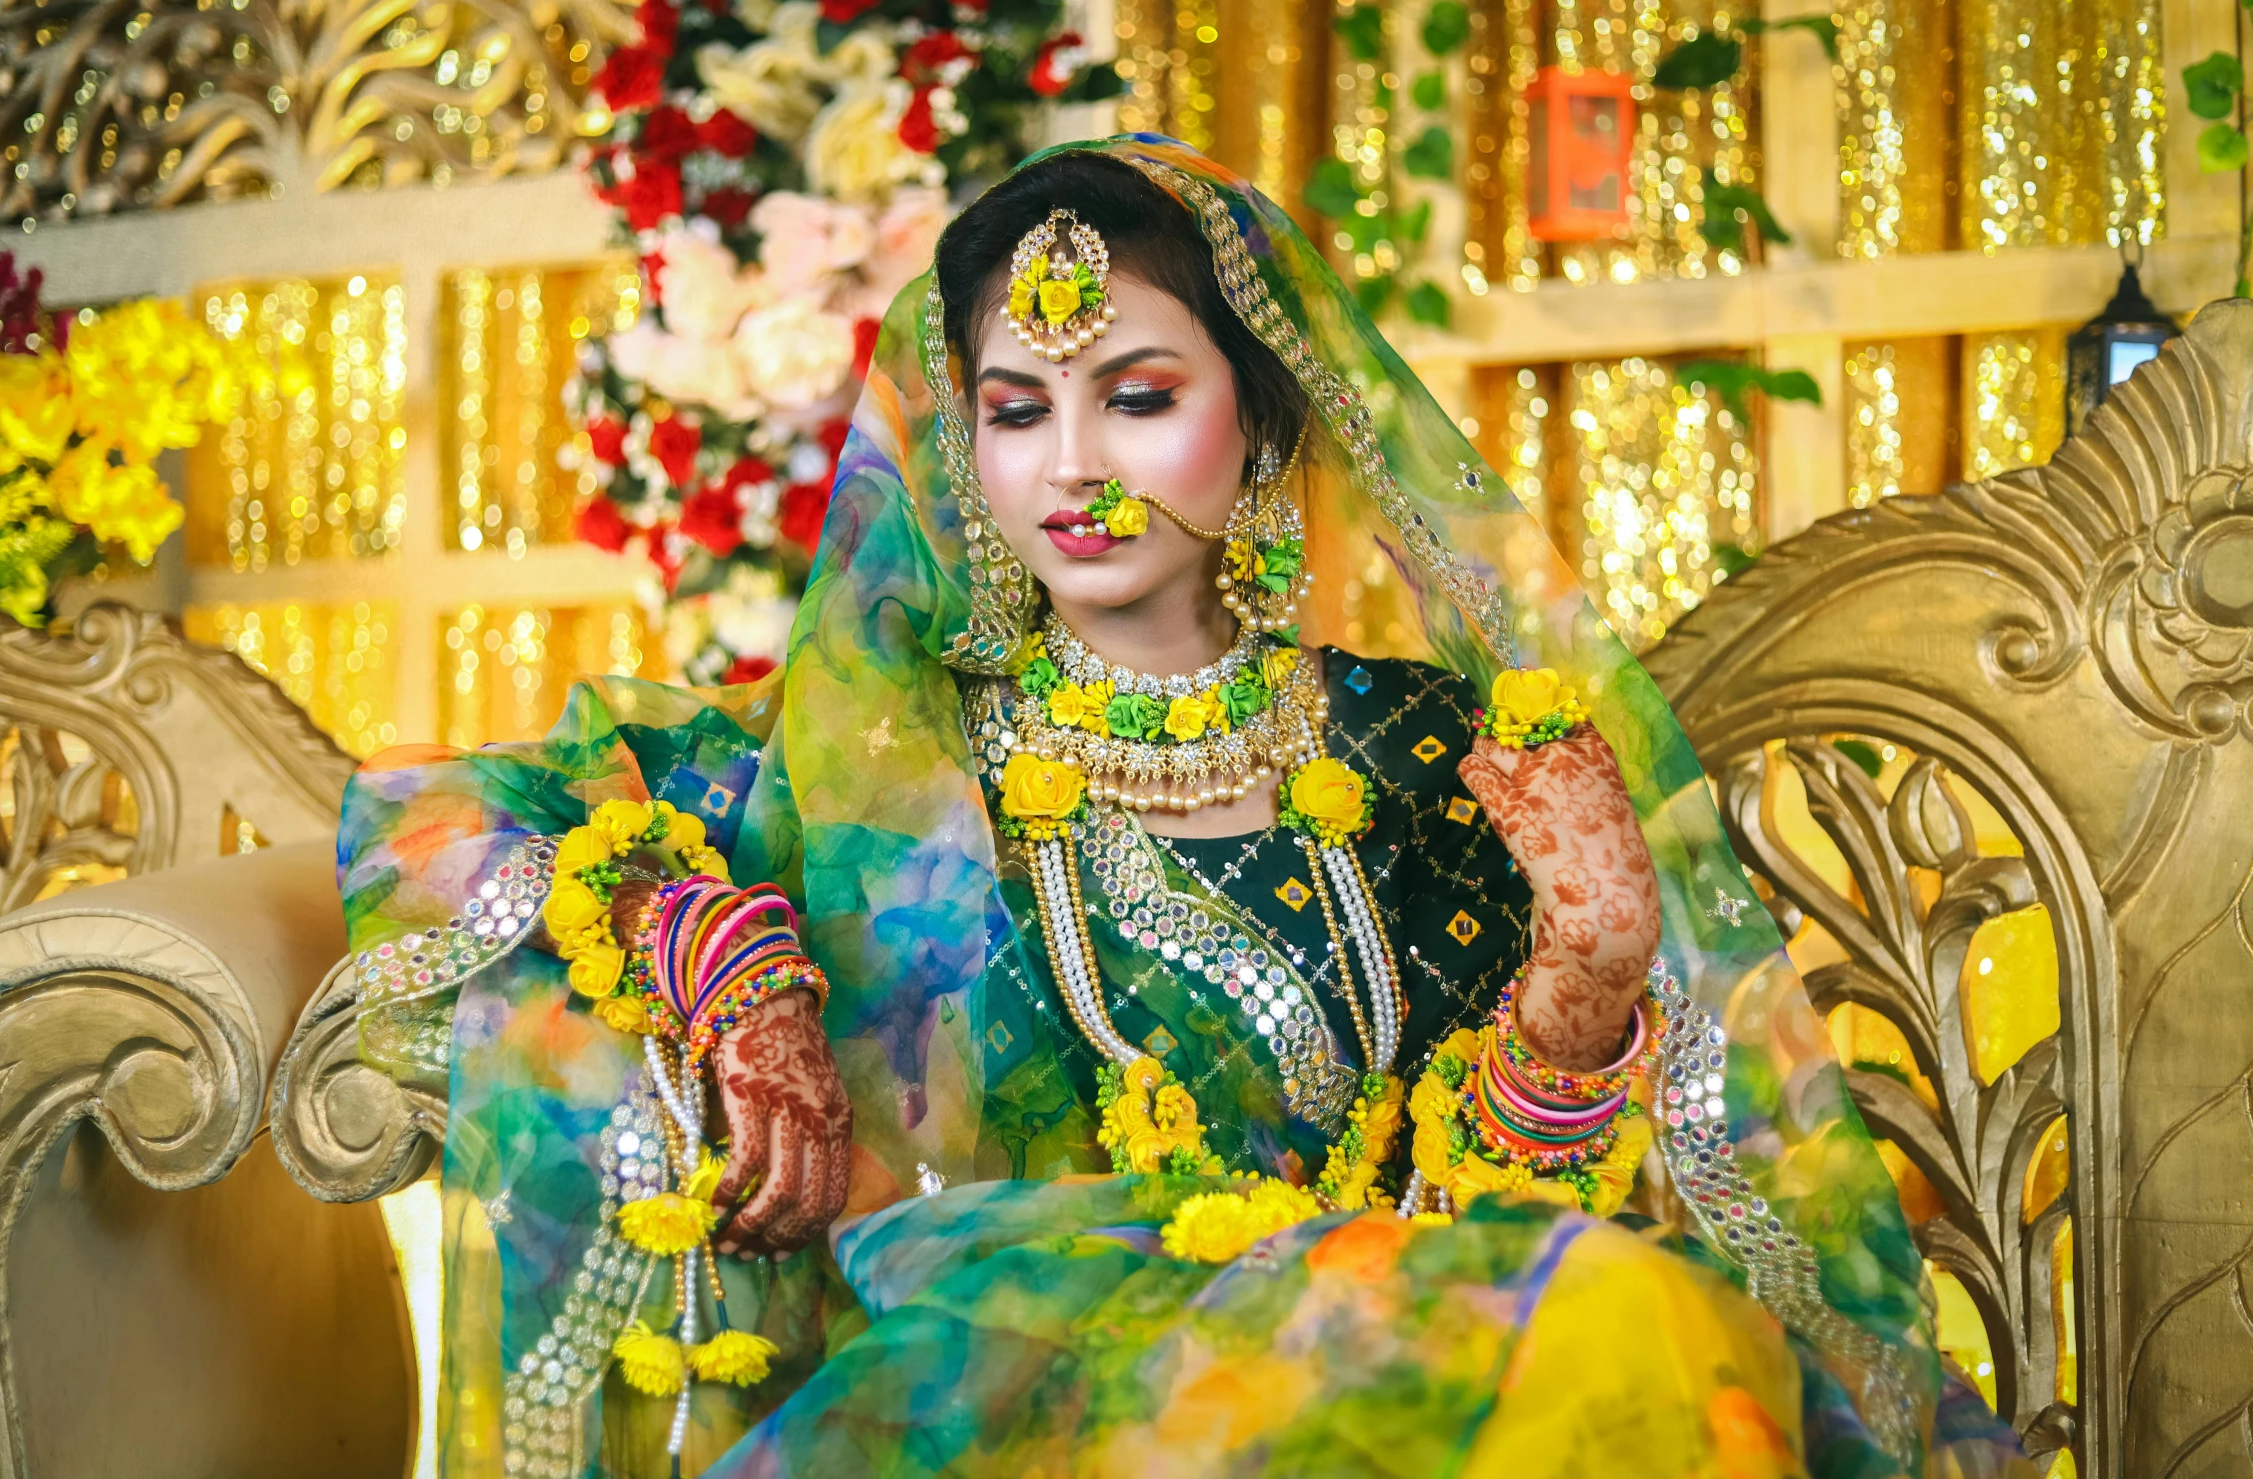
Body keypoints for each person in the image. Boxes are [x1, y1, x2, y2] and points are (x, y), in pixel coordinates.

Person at [338, 137, 2030, 1478]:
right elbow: (455, 824)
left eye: (1136, 395)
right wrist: (735, 959)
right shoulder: (885, 773)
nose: (1073, 466)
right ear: (963, 456)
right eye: (1017, 411)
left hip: (1402, 1365)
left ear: (1264, 412)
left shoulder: (1445, 750)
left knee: (1623, 1323)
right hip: (1025, 1389)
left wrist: (1586, 980)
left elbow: (1514, 1216)